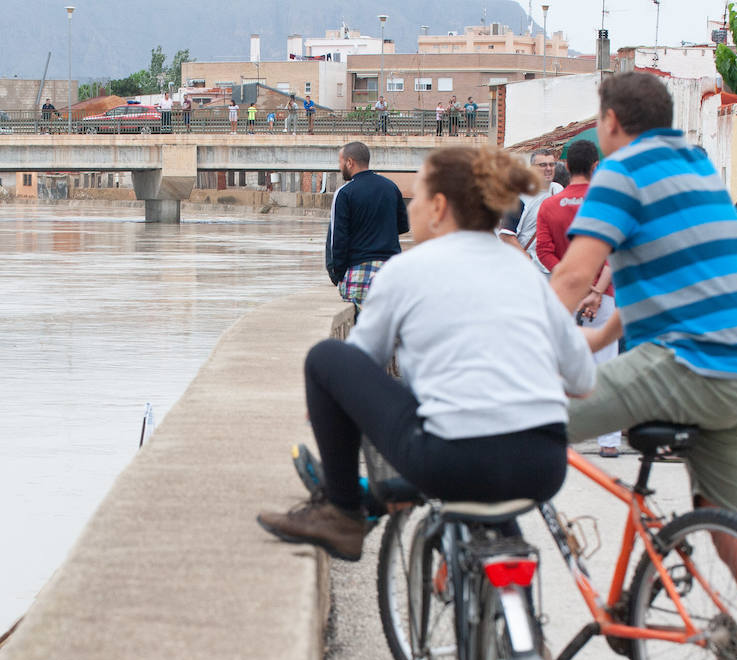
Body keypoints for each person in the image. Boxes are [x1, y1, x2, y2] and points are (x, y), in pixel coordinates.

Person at [548, 72, 737, 660]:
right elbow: (672, 275)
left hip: (691, 365)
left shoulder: (621, 170)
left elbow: (573, 278)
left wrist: (509, 339)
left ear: (608, 122)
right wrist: (599, 338)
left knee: (524, 420)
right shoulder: (694, 167)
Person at [257, 146, 596, 562]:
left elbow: (359, 364)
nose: (411, 208)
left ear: (438, 207)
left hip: (450, 461)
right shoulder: (525, 273)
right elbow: (581, 380)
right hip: (542, 465)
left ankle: (343, 511)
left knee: (326, 358)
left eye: (415, 196)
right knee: (486, 469)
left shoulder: (405, 271)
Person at [534, 140, 622, 458]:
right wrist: (595, 289)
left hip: (563, 295)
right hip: (605, 293)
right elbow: (615, 251)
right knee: (606, 365)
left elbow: (544, 251)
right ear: (596, 167)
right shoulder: (607, 204)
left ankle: (562, 435)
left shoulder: (549, 206)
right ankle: (609, 441)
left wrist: (574, 282)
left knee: (560, 365)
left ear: (566, 167)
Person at [325, 142, 410, 317]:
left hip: (359, 274)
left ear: (350, 162)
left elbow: (337, 240)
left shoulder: (345, 193)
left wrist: (340, 276)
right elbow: (403, 226)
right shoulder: (391, 187)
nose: (339, 167)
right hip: (391, 272)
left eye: (340, 162)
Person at [514, 148, 563, 273]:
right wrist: (527, 262)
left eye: (552, 164)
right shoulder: (521, 194)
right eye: (542, 165)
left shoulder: (559, 190)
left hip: (553, 268)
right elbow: (506, 234)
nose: (548, 168)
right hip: (528, 269)